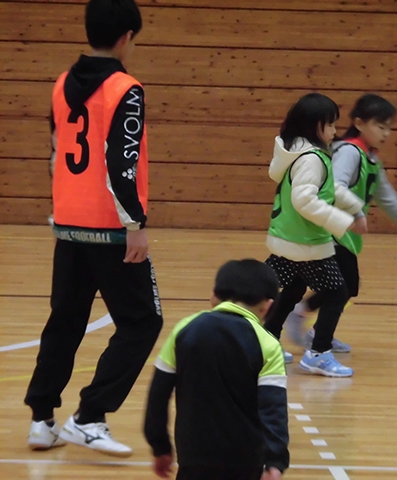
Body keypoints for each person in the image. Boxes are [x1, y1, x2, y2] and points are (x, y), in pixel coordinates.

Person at [25, 0, 163, 457]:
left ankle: (41, 420)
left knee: (64, 322)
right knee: (144, 321)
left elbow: (54, 150)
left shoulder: (62, 84)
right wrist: (135, 225)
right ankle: (89, 415)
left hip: (68, 224)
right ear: (126, 36)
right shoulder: (127, 88)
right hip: (110, 227)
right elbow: (121, 164)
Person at [284, 94, 397, 352]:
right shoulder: (349, 152)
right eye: (380, 126)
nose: (386, 133)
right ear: (360, 123)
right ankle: (313, 335)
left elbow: (388, 199)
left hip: (345, 233)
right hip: (332, 230)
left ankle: (314, 328)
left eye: (388, 128)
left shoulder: (370, 159)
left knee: (346, 287)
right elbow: (334, 187)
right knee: (342, 286)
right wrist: (354, 214)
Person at [144, 259, 289, 480]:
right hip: (246, 459)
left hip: (193, 454)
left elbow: (158, 394)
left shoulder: (185, 329)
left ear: (213, 295)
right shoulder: (267, 344)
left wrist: (160, 445)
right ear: (268, 306)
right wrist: (275, 461)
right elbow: (273, 408)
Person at [264, 93, 365, 377]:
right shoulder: (311, 158)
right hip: (305, 242)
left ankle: (267, 340)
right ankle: (318, 353)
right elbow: (305, 201)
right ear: (313, 126)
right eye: (330, 125)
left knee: (290, 288)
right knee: (337, 292)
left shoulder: (298, 152)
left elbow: (329, 191)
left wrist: (355, 208)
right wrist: (342, 221)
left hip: (288, 238)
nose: (335, 131)